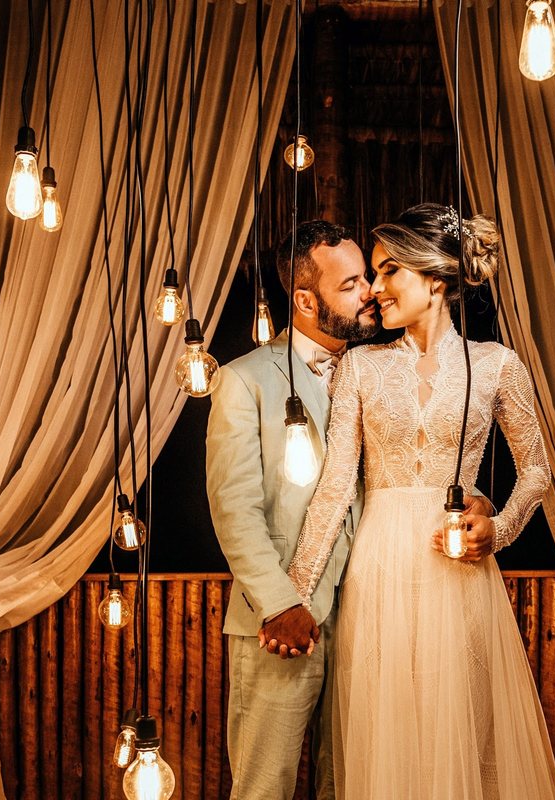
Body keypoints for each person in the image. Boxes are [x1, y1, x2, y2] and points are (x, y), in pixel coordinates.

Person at [207, 219, 498, 799]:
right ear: (306, 300)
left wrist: (481, 502)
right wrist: (282, 603)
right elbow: (234, 511)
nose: (370, 291)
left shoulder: (384, 369)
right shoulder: (246, 382)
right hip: (283, 622)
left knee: (356, 784)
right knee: (265, 787)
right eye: (351, 284)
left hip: (373, 616)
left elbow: (418, 468)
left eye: (370, 276)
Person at [284, 204, 555, 798]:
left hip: (459, 572)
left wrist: (503, 527)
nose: (375, 290)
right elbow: (336, 483)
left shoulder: (496, 365)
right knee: (386, 730)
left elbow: (538, 468)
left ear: (435, 280)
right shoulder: (360, 366)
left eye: (390, 272)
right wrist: (295, 594)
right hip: (379, 569)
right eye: (373, 274)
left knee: (456, 726)